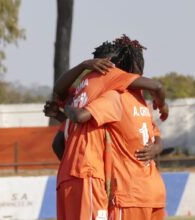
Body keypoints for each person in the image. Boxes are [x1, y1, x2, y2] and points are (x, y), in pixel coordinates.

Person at [52, 39, 167, 220]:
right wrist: (162, 106)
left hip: (70, 175)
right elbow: (157, 86)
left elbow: (59, 139)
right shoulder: (113, 86)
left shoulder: (81, 89)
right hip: (111, 180)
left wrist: (65, 111)